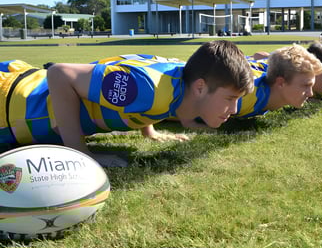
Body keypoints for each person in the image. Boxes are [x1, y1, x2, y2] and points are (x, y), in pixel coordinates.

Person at [0, 40, 254, 167]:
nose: (233, 110)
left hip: (21, 87)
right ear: (200, 87)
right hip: (10, 108)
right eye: (230, 99)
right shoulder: (147, 89)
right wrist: (82, 155)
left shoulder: (179, 79)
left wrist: (150, 132)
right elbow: (59, 74)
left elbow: (150, 98)